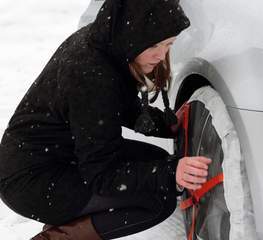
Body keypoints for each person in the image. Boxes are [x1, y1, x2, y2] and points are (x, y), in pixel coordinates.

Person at [0, 0, 212, 239]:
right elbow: (103, 174)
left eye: (168, 44)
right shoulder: (91, 75)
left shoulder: (106, 44)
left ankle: (69, 223)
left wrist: (165, 125)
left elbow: (117, 107)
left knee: (156, 163)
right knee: (156, 199)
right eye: (154, 44)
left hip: (59, 154)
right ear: (133, 34)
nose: (161, 55)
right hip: (33, 181)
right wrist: (171, 172)